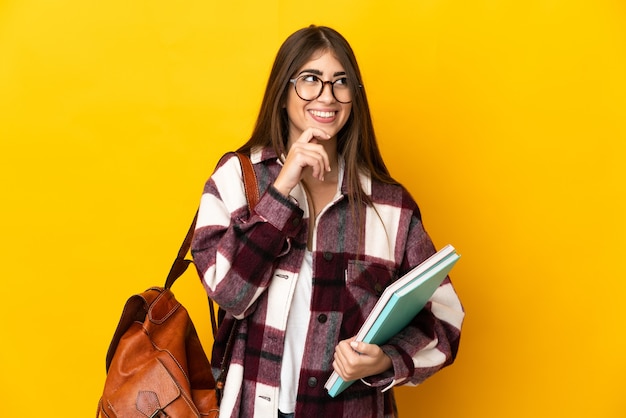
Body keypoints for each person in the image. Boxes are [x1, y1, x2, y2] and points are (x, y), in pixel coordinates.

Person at [191, 25, 464, 418]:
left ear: (354, 98)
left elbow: (445, 318)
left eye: (341, 82)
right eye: (310, 80)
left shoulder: (391, 206)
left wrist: (383, 360)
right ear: (282, 93)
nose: (327, 95)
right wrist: (282, 188)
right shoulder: (237, 179)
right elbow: (229, 294)